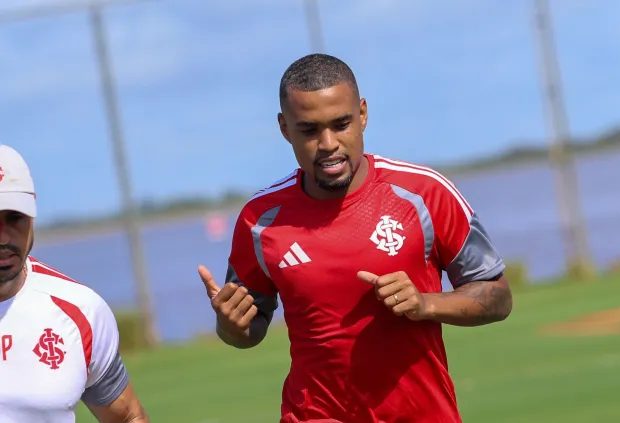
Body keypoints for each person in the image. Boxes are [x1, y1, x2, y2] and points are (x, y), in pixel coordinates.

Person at [199, 54, 512, 422]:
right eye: (309, 130)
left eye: (341, 124)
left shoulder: (425, 193)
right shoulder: (260, 219)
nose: (328, 143)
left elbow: (497, 296)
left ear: (362, 114)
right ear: (285, 128)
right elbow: (249, 329)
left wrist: (426, 303)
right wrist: (230, 326)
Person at [0, 145, 149, 423]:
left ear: (32, 217)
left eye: (15, 218)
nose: (4, 238)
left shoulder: (81, 311)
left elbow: (128, 416)